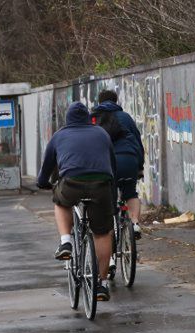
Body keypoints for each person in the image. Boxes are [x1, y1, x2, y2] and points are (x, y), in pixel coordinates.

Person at [37, 101, 116, 301]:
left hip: (71, 183)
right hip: (101, 185)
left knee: (60, 201)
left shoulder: (59, 136)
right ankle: (102, 284)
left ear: (68, 119)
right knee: (102, 233)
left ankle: (66, 242)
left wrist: (43, 183)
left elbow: (45, 169)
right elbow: (112, 164)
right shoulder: (101, 133)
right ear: (88, 118)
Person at [91, 89, 144, 239]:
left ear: (99, 102)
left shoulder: (93, 119)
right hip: (128, 159)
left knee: (108, 197)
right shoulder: (125, 117)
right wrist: (139, 167)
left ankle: (110, 230)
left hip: (106, 164)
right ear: (116, 101)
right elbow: (137, 142)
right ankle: (134, 224)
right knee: (131, 193)